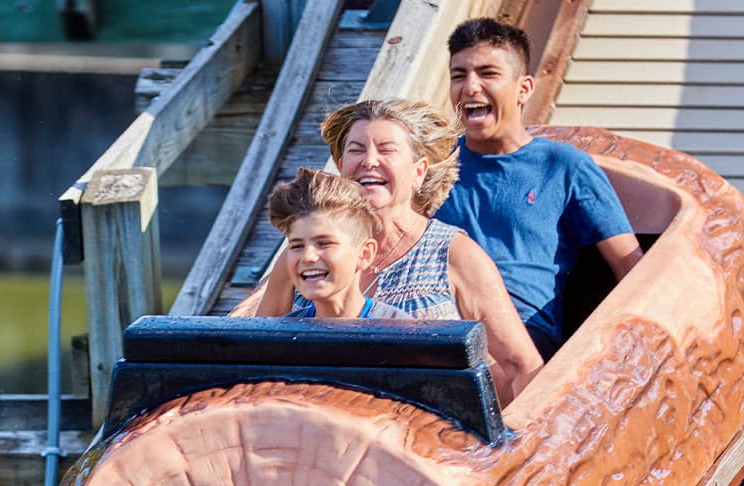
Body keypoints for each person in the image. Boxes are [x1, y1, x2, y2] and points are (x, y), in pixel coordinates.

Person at [257, 99, 543, 404]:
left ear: (418, 172)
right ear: (341, 167)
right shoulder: (304, 257)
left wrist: (518, 442)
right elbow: (253, 353)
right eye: (356, 150)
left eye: (386, 149)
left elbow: (521, 367)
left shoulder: (454, 255)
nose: (368, 161)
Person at [436, 17, 644, 360]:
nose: (470, 87)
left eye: (487, 73)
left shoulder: (563, 166)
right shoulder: (434, 166)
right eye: (459, 75)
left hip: (522, 338)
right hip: (439, 325)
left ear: (524, 88)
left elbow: (630, 267)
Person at [268, 167, 410, 319]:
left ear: (365, 254)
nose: (308, 257)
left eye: (324, 244)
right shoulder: (286, 335)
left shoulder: (399, 331)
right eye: (297, 246)